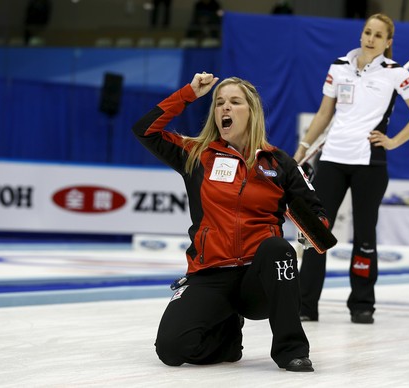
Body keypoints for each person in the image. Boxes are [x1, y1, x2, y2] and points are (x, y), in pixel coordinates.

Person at [132, 72, 332, 372]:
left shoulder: (280, 164)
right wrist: (188, 93)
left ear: (251, 112)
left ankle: (292, 350)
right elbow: (144, 130)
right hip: (211, 273)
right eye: (219, 103)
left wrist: (310, 229)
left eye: (234, 102)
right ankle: (227, 335)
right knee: (172, 350)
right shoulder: (196, 155)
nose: (225, 108)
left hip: (259, 279)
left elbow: (319, 218)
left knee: (278, 249)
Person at [294, 13, 409, 324]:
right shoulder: (338, 67)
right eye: (368, 32)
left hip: (370, 162)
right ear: (361, 35)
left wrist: (393, 141)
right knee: (317, 231)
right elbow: (323, 113)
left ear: (388, 42)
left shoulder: (396, 74)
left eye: (378, 35)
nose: (371, 38)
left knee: (365, 235)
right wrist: (303, 149)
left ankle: (362, 304)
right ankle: (305, 304)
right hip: (331, 159)